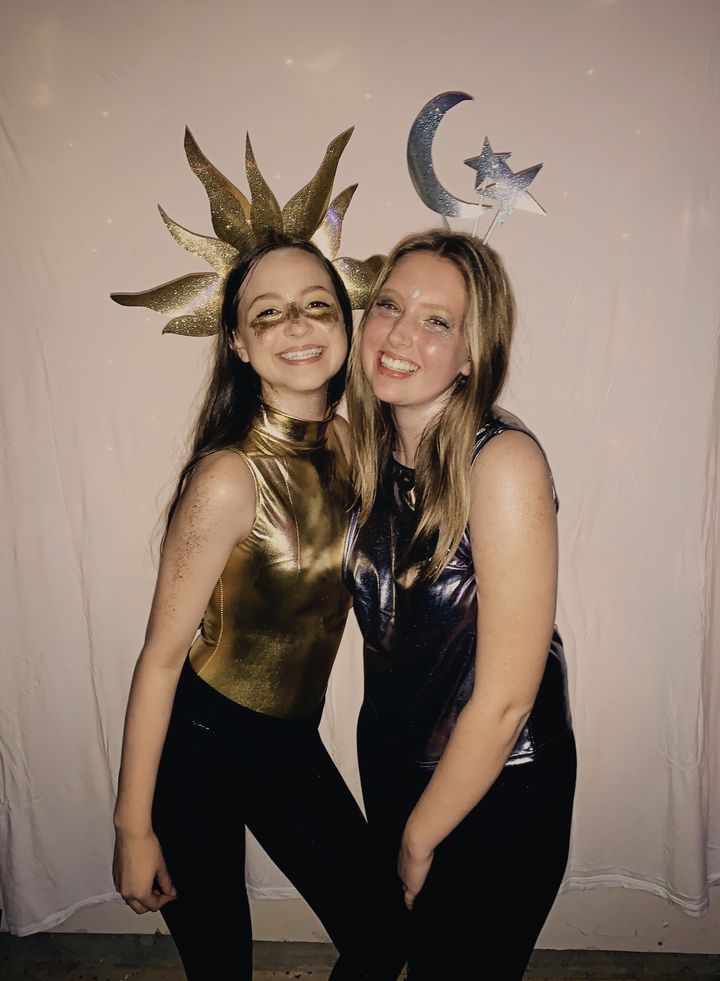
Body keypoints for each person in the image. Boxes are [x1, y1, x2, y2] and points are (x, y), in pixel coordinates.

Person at [113, 237, 404, 981]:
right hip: (199, 746)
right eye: (267, 313)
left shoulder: (345, 443)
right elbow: (161, 659)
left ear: (345, 323)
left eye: (316, 305)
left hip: (287, 742)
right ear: (239, 343)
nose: (297, 326)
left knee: (382, 935)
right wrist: (132, 827)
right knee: (220, 968)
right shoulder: (228, 478)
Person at [345, 229, 576, 980]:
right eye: (388, 305)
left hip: (498, 781)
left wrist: (417, 838)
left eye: (437, 320)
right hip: (392, 756)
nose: (400, 333)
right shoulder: (365, 448)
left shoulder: (503, 461)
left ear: (473, 352)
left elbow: (507, 699)